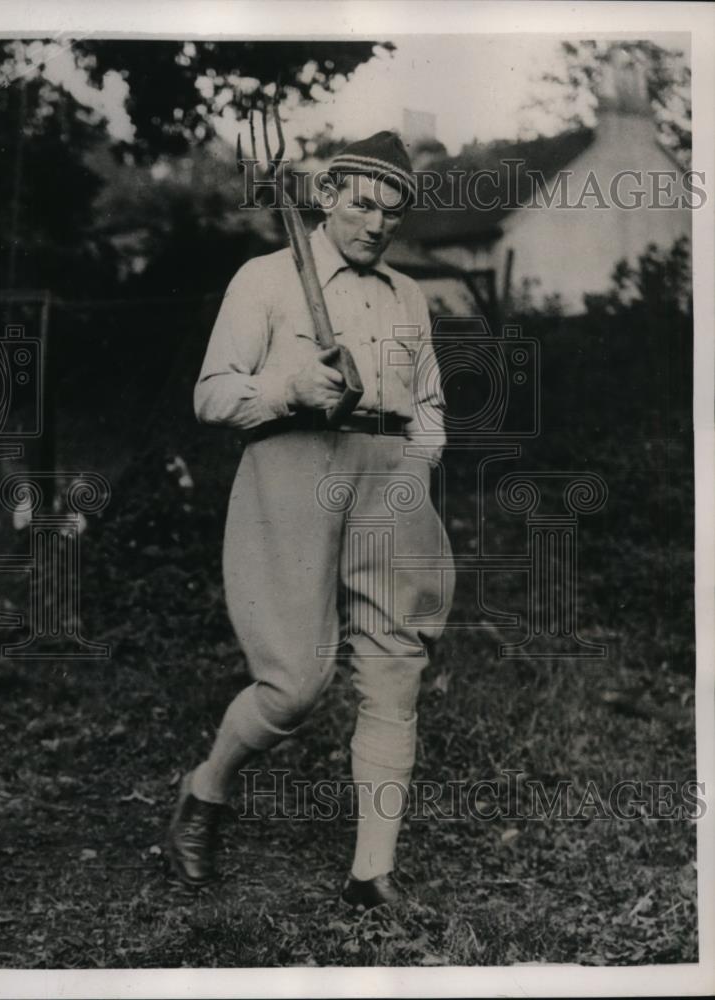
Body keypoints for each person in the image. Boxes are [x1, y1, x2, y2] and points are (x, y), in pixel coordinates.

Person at [168, 130, 455, 909]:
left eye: (390, 212)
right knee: (294, 686)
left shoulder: (407, 295)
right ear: (326, 198)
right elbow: (210, 396)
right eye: (360, 205)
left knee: (396, 666)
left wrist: (416, 472)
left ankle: (372, 871)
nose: (375, 224)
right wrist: (293, 387)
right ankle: (206, 792)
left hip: (389, 480)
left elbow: (428, 405)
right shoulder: (265, 280)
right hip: (292, 471)